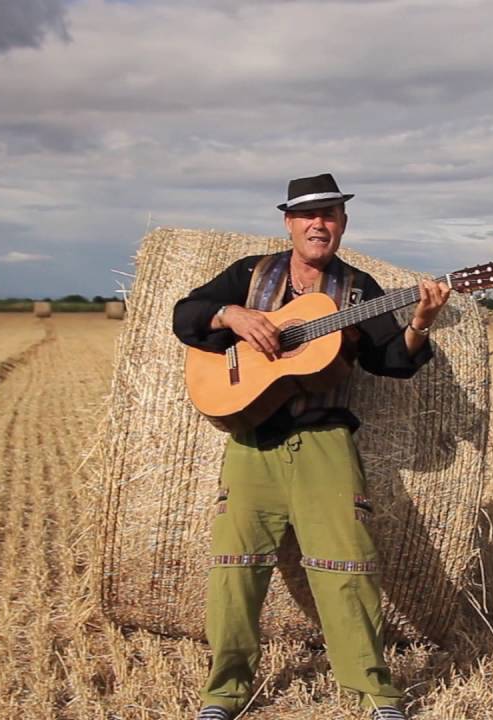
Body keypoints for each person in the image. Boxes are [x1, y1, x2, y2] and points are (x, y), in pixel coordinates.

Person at [173, 173, 450, 720]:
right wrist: (232, 314)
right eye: (308, 215)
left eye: (330, 214)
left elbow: (390, 361)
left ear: (343, 224)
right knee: (234, 567)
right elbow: (186, 315)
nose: (319, 223)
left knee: (349, 565)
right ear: (289, 223)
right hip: (252, 441)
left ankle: (375, 694)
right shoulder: (250, 275)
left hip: (325, 440)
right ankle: (224, 693)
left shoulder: (357, 289)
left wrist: (419, 323)